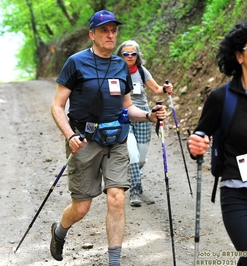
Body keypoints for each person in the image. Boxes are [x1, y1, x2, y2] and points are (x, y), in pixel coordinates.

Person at [50, 10, 166, 265]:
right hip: (84, 140)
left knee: (117, 197)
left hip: (116, 140)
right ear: (92, 34)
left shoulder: (120, 65)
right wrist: (70, 135)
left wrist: (149, 117)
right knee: (81, 207)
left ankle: (114, 261)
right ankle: (59, 230)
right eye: (104, 30)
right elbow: (57, 106)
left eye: (113, 30)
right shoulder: (75, 62)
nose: (110, 34)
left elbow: (127, 107)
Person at [188, 20, 247, 265]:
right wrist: (196, 145)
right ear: (239, 55)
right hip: (239, 194)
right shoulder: (221, 98)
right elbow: (200, 135)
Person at [115, 40, 172, 207]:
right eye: (126, 54)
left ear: (137, 55)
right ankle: (135, 191)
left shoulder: (141, 71)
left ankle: (128, 174)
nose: (130, 57)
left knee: (140, 158)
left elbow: (156, 89)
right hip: (124, 115)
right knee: (132, 153)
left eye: (133, 54)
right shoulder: (115, 70)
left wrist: (166, 88)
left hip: (144, 115)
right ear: (121, 55)